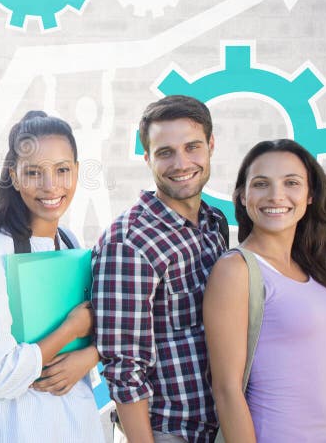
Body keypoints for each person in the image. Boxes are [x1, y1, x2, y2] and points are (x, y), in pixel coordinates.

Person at [203, 139, 326, 442]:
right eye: (261, 184)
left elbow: (313, 389)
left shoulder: (312, 268)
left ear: (311, 194)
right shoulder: (236, 270)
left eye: (291, 182)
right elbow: (227, 390)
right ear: (242, 196)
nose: (276, 195)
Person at [93, 95, 226, 443]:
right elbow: (124, 369)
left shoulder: (214, 224)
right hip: (170, 433)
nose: (181, 163)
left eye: (192, 147)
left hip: (224, 427)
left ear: (211, 145)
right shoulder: (129, 243)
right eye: (165, 152)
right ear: (147, 157)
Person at [0, 110, 103, 443]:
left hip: (78, 423)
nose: (50, 185)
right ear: (14, 176)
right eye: (33, 173)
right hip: (20, 427)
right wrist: (71, 328)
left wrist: (90, 355)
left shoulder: (70, 242)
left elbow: (100, 335)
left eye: (62, 170)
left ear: (77, 172)